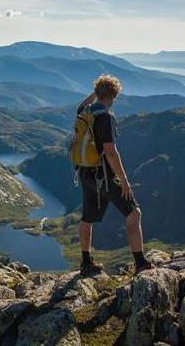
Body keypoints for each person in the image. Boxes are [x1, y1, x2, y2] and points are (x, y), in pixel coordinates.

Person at [75, 74, 154, 276]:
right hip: (105, 176)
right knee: (134, 213)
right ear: (113, 95)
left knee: (87, 218)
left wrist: (97, 91)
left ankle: (86, 262)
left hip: (85, 173)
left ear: (97, 93)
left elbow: (79, 105)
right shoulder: (105, 117)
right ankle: (140, 263)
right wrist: (125, 182)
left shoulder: (85, 112)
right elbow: (110, 152)